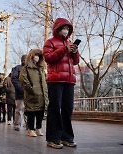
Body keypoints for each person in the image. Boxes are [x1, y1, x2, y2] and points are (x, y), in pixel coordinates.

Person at [43, 18, 79, 149]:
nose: (66, 30)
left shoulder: (70, 42)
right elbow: (48, 58)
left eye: (68, 28)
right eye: (64, 27)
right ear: (57, 29)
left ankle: (66, 137)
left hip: (69, 80)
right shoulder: (50, 42)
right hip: (55, 80)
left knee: (67, 109)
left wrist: (74, 52)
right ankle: (53, 138)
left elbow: (75, 62)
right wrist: (64, 49)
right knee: (54, 108)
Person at [19, 49, 49, 137]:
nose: (37, 57)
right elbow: (23, 79)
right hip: (31, 94)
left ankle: (38, 128)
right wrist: (30, 88)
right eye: (35, 55)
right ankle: (30, 129)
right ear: (31, 56)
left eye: (39, 55)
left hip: (42, 93)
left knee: (40, 111)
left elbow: (45, 80)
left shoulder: (42, 68)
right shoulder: (26, 68)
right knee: (31, 112)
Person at [11, 54, 27, 131]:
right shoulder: (17, 68)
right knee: (19, 109)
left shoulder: (30, 68)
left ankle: (28, 125)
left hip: (29, 93)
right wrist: (20, 88)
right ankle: (17, 124)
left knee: (28, 110)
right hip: (20, 93)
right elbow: (14, 79)